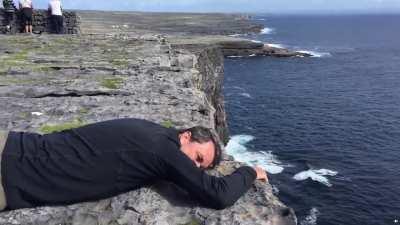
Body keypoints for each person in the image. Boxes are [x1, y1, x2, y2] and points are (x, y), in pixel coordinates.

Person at [0, 118, 267, 211]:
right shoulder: (163, 151)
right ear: (186, 136)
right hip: (9, 173)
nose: (194, 169)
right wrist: (250, 171)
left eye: (201, 167)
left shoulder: (151, 130)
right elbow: (217, 195)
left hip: (12, 146)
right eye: (198, 158)